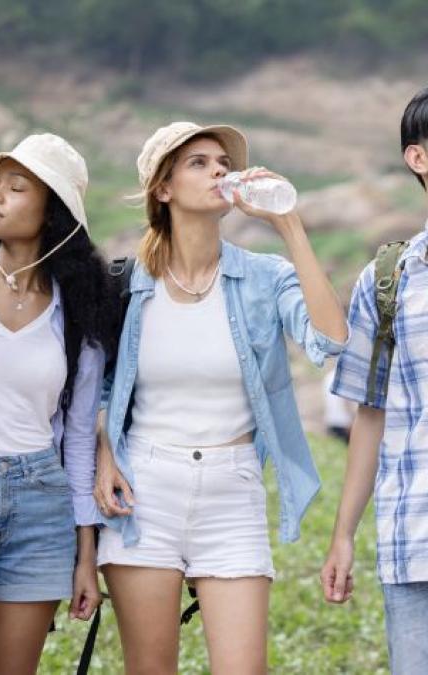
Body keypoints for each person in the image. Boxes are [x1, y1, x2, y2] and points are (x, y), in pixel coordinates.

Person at [93, 121, 348, 674]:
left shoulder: (265, 277)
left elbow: (329, 341)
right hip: (147, 490)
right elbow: (102, 387)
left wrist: (291, 227)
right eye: (199, 163)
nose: (219, 172)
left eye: (223, 164)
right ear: (163, 188)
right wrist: (105, 450)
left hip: (232, 491)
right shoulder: (129, 284)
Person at [0, 133, 119, 674]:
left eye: (16, 188)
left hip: (42, 507)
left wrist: (86, 555)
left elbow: (81, 437)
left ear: (53, 213)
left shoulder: (77, 315)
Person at [321, 86, 428, 675]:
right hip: (414, 538)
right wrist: (343, 534)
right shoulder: (389, 279)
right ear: (419, 158)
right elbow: (370, 412)